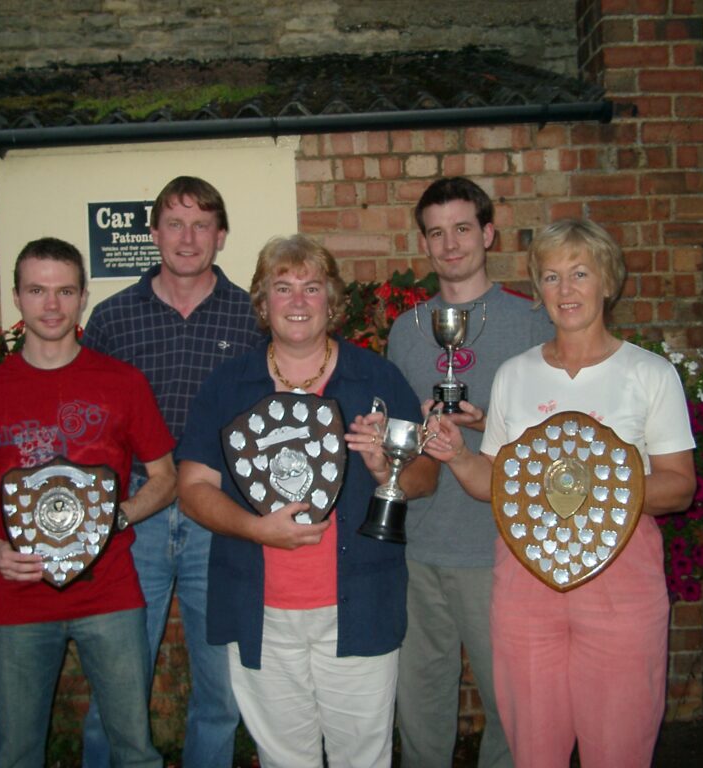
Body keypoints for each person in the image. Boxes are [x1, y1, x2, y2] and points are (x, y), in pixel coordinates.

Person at [424, 218, 697, 768]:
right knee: (534, 749)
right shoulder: (514, 374)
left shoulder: (649, 374)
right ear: (538, 290)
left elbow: (678, 487)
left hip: (621, 579)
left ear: (607, 282)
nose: (565, 290)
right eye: (550, 277)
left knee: (618, 748)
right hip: (526, 585)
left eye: (579, 274)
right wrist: (458, 456)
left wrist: (594, 485)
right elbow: (496, 485)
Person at [177, 234, 439, 767]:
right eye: (283, 287)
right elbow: (191, 489)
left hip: (359, 604)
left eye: (312, 288)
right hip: (258, 607)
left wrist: (385, 466)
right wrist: (254, 530)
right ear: (263, 301)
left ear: (332, 301)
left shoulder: (376, 377)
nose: (298, 301)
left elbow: (427, 476)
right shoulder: (230, 384)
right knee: (283, 760)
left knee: (362, 758)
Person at [0, 237, 177, 768]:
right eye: (38, 291)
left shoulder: (122, 383)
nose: (52, 305)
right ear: (18, 298)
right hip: (19, 599)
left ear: (83, 297)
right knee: (18, 754)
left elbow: (166, 478)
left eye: (65, 291)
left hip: (111, 596)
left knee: (135, 752)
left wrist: (118, 517)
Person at [81, 176, 261, 768]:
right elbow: (92, 425)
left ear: (221, 235)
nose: (188, 238)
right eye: (175, 223)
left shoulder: (251, 316)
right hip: (137, 514)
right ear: (153, 232)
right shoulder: (112, 320)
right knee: (117, 679)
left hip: (219, 513)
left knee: (220, 689)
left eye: (202, 224)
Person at [386, 176, 553, 768]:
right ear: (425, 244)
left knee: (511, 705)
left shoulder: (533, 322)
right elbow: (398, 443)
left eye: (462, 228)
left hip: (498, 547)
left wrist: (487, 425)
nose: (450, 244)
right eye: (436, 233)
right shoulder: (404, 332)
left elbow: (557, 439)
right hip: (419, 543)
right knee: (420, 703)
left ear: (487, 233)